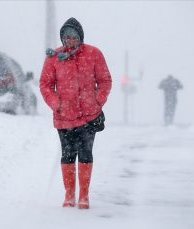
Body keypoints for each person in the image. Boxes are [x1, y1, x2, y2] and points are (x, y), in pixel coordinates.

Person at [39, 17, 112, 209]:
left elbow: (105, 80)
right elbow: (45, 84)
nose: (70, 41)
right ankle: (69, 194)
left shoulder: (94, 54)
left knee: (86, 153)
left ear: (80, 37)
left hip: (89, 115)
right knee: (68, 154)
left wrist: (97, 101)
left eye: (73, 36)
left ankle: (84, 196)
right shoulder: (54, 57)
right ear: (62, 38)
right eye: (66, 37)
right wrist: (57, 104)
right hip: (64, 117)